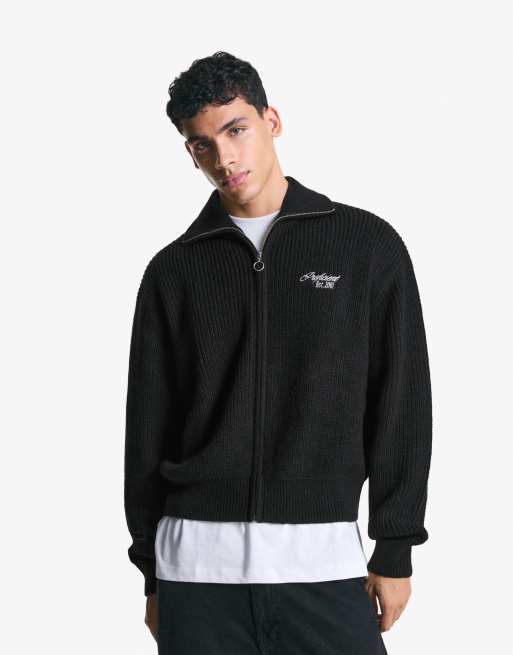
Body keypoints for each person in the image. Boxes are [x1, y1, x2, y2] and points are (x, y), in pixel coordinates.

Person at [124, 51, 432, 654]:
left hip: (324, 565)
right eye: (202, 145)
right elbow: (147, 427)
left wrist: (395, 546)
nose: (224, 158)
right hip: (196, 571)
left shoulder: (365, 246)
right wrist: (151, 574)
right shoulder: (173, 271)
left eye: (236, 129)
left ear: (272, 120)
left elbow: (401, 402)